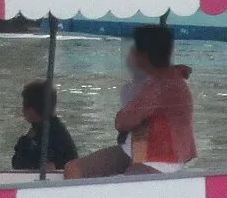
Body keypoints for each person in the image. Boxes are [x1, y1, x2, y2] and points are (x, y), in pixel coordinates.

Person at [65, 25, 196, 179]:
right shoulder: (168, 79)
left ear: (143, 54)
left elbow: (123, 122)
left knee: (76, 171)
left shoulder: (161, 85)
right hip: (136, 150)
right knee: (73, 168)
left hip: (158, 159)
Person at [10, 78, 77, 172]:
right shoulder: (55, 130)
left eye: (24, 105)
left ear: (31, 111)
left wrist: (25, 142)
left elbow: (19, 164)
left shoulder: (46, 136)